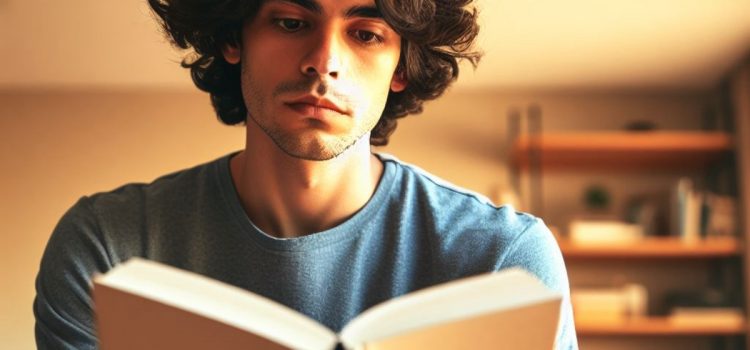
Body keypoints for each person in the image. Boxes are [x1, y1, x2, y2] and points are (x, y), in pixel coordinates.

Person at [34, 0, 578, 348]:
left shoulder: (504, 262)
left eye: (366, 34)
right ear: (233, 39)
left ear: (402, 68)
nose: (324, 60)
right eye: (293, 23)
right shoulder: (107, 247)